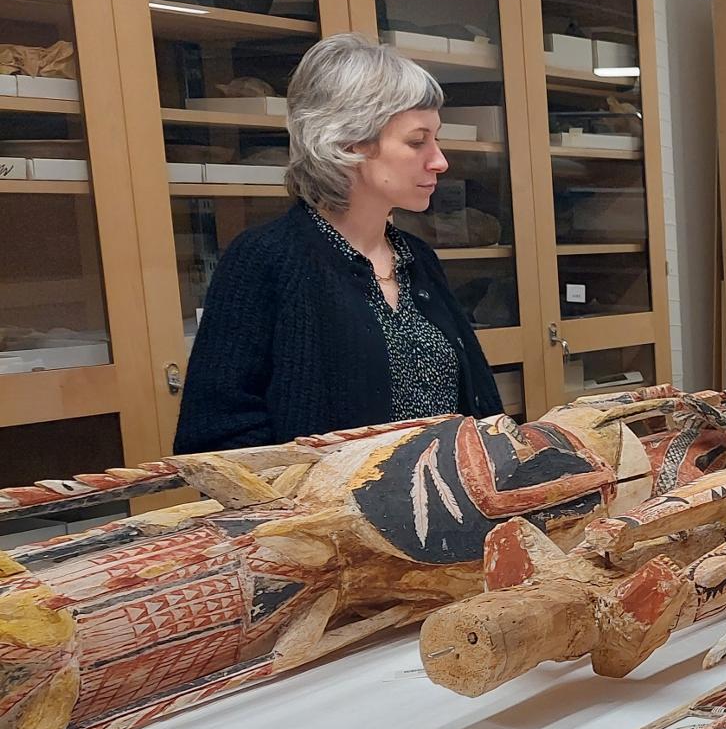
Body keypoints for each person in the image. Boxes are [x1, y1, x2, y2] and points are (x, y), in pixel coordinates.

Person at [173, 33, 501, 453]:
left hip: (443, 494)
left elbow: (480, 411)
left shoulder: (417, 258)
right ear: (348, 142)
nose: (440, 160)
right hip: (329, 498)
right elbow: (216, 439)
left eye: (436, 140)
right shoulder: (265, 260)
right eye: (417, 141)